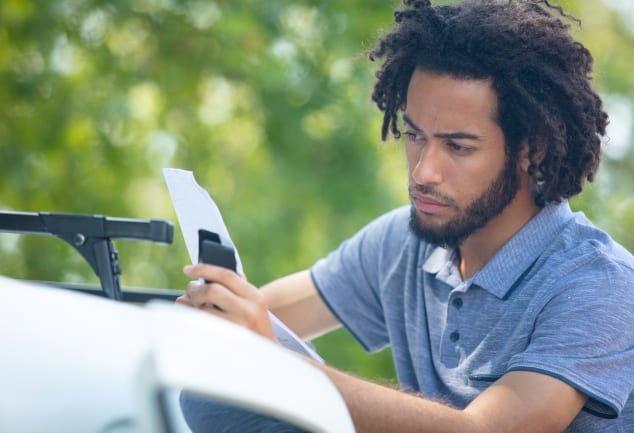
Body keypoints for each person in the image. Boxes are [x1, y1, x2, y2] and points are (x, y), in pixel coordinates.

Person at [176, 0, 634, 431]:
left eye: (458, 146)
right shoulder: (404, 242)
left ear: (532, 148)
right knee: (211, 396)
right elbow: (261, 317)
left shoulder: (600, 285)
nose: (423, 171)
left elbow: (484, 430)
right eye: (415, 136)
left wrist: (277, 366)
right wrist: (217, 317)